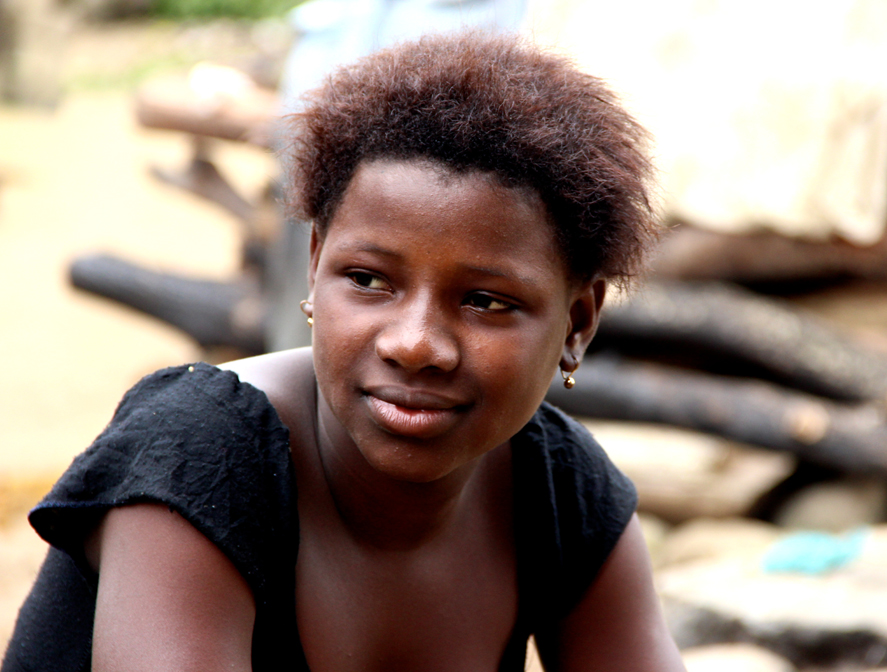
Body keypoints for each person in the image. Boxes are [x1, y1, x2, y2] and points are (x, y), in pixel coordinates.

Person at [3, 33, 686, 672]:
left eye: (485, 301)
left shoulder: (557, 489)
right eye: (367, 280)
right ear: (314, 265)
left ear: (578, 321)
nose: (414, 344)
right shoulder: (198, 456)